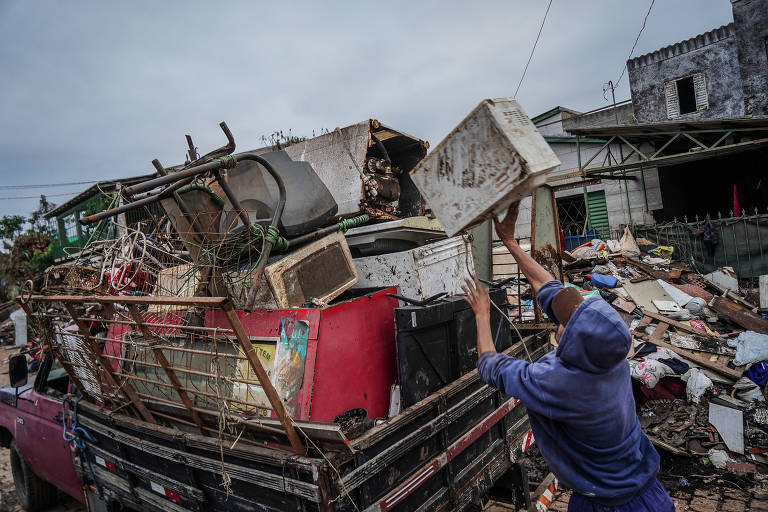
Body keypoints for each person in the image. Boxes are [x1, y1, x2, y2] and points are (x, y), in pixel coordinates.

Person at [462, 202, 673, 512]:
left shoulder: (557, 382)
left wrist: (481, 314)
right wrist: (509, 242)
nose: (556, 321)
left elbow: (489, 365)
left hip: (606, 504)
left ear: (575, 341)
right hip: (650, 492)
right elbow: (548, 286)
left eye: (563, 323)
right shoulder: (609, 356)